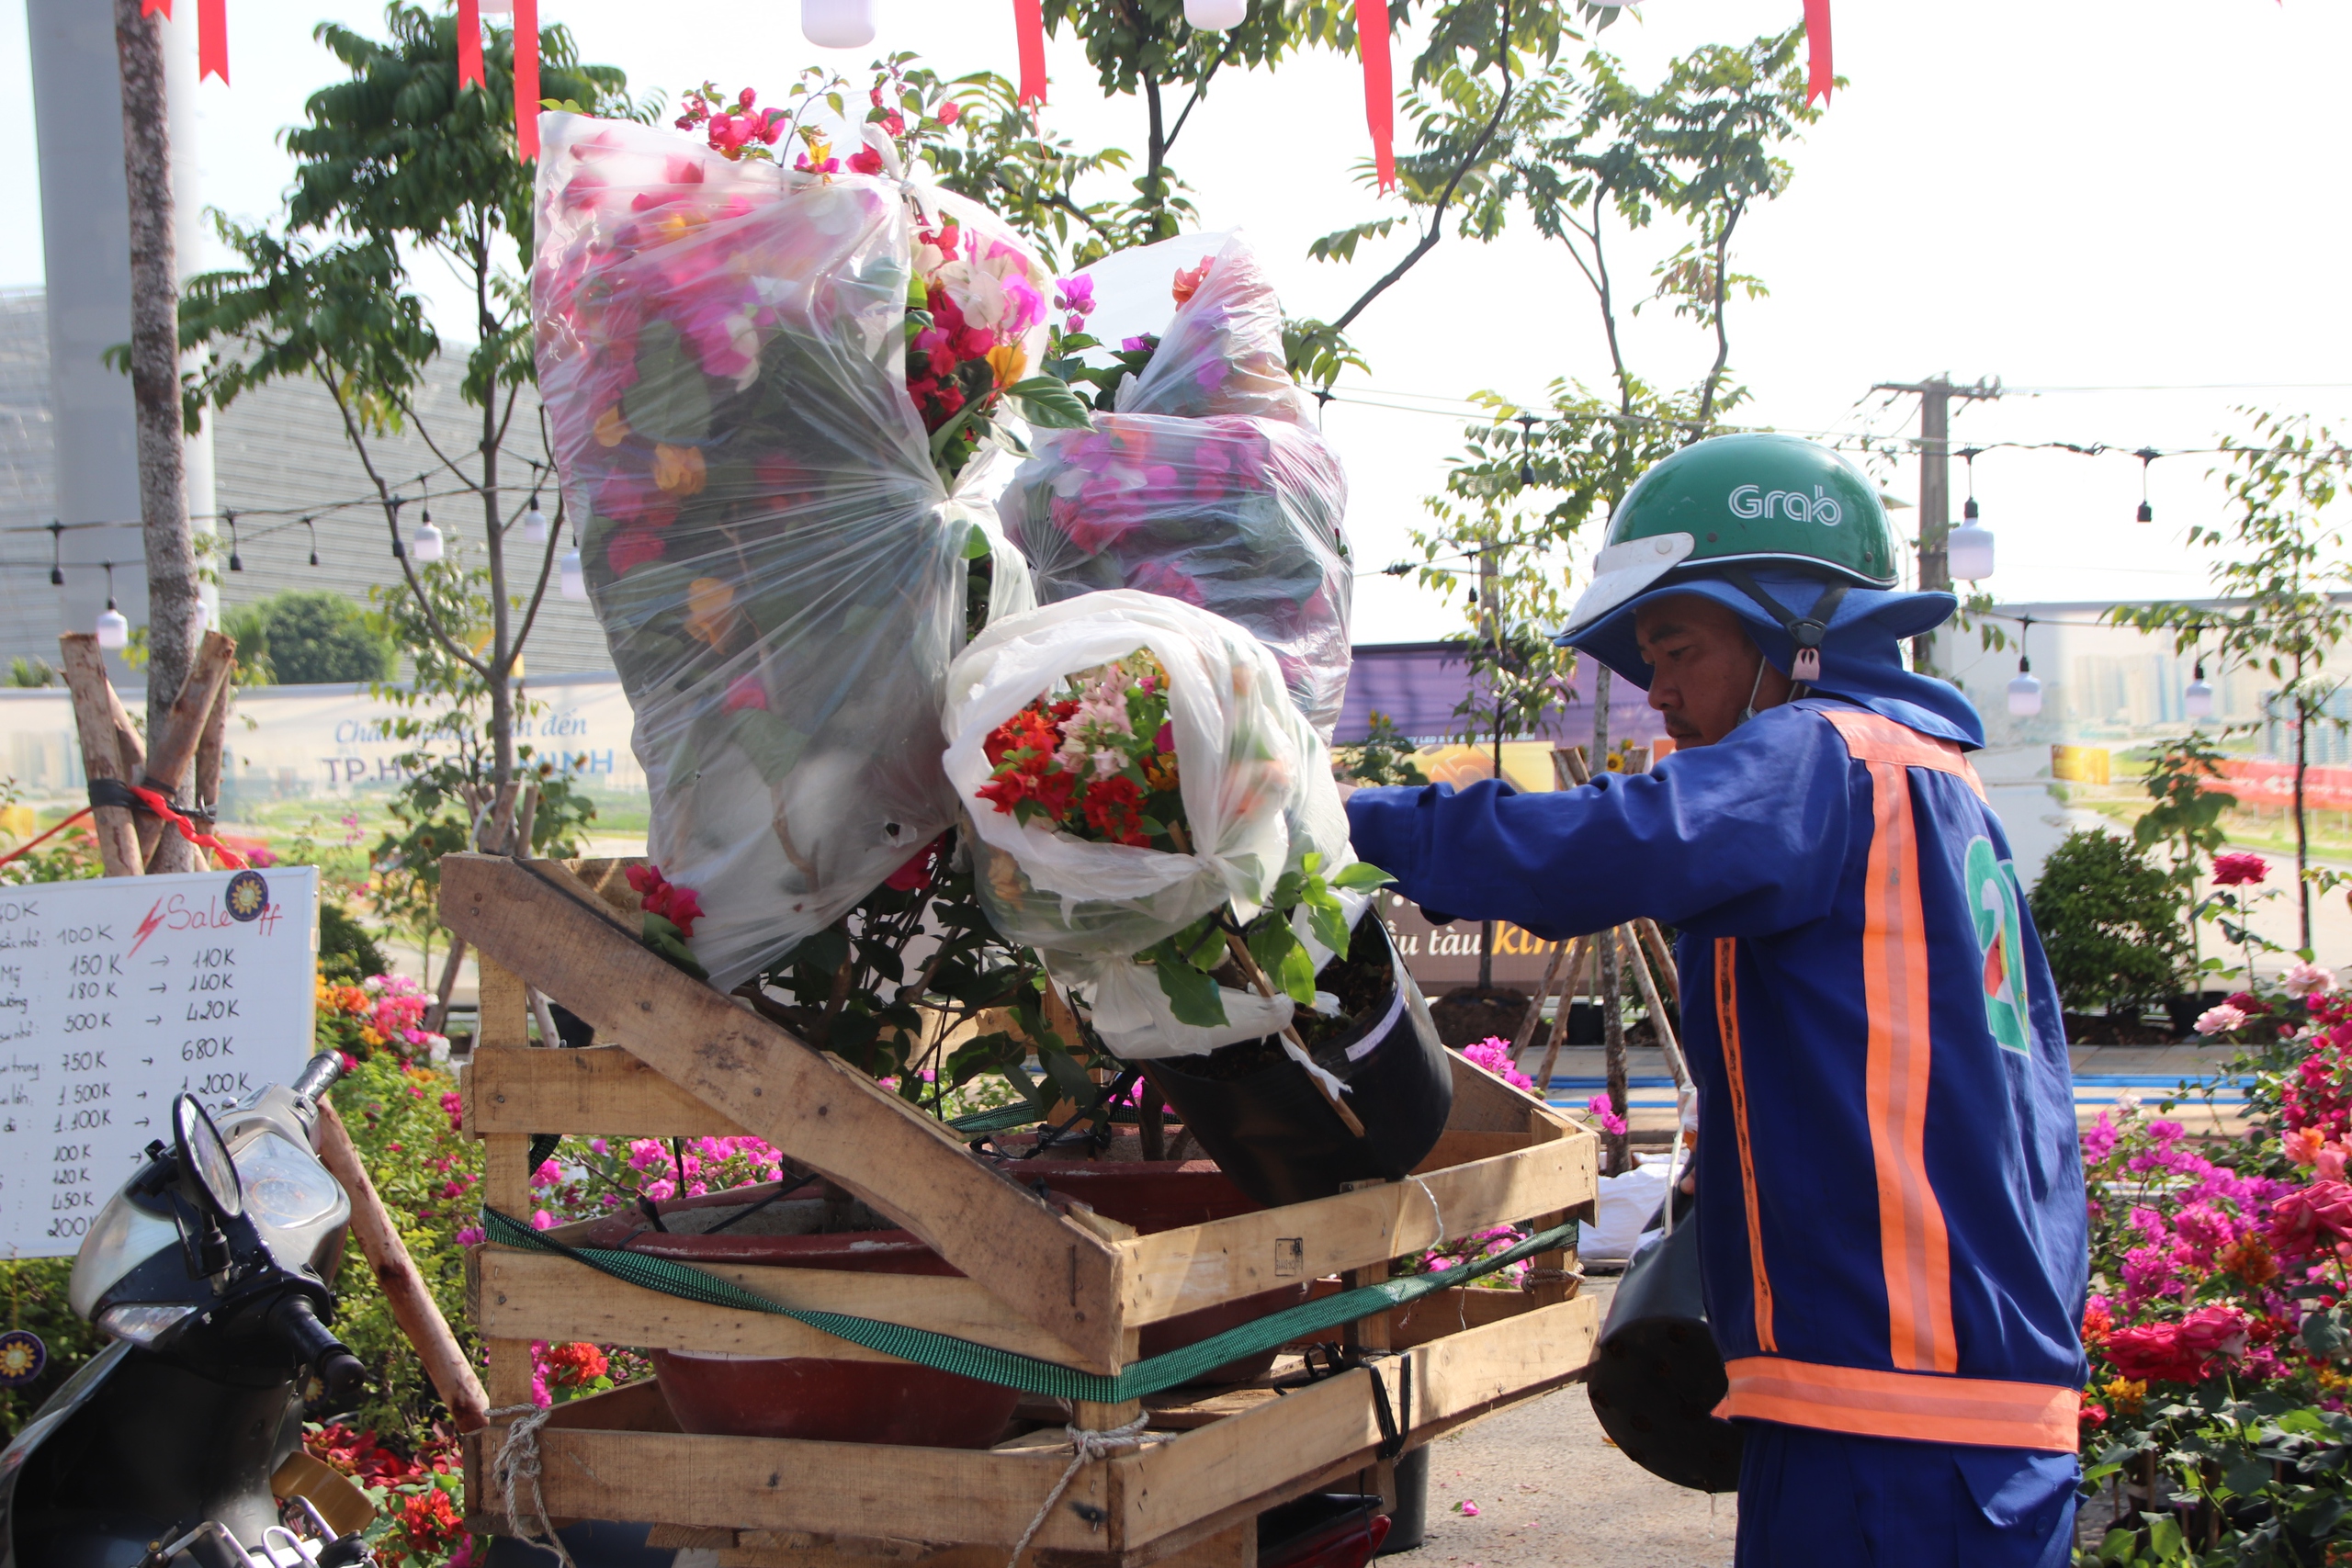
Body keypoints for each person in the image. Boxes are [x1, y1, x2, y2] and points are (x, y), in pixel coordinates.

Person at [1343, 434, 2088, 1566]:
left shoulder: (1820, 756)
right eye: (1648, 666)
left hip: (1896, 1410)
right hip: (1946, 1393)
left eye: (1678, 649)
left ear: (1794, 631)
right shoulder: (1931, 780)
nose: (1663, 697)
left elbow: (1586, 852)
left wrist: (1321, 816)